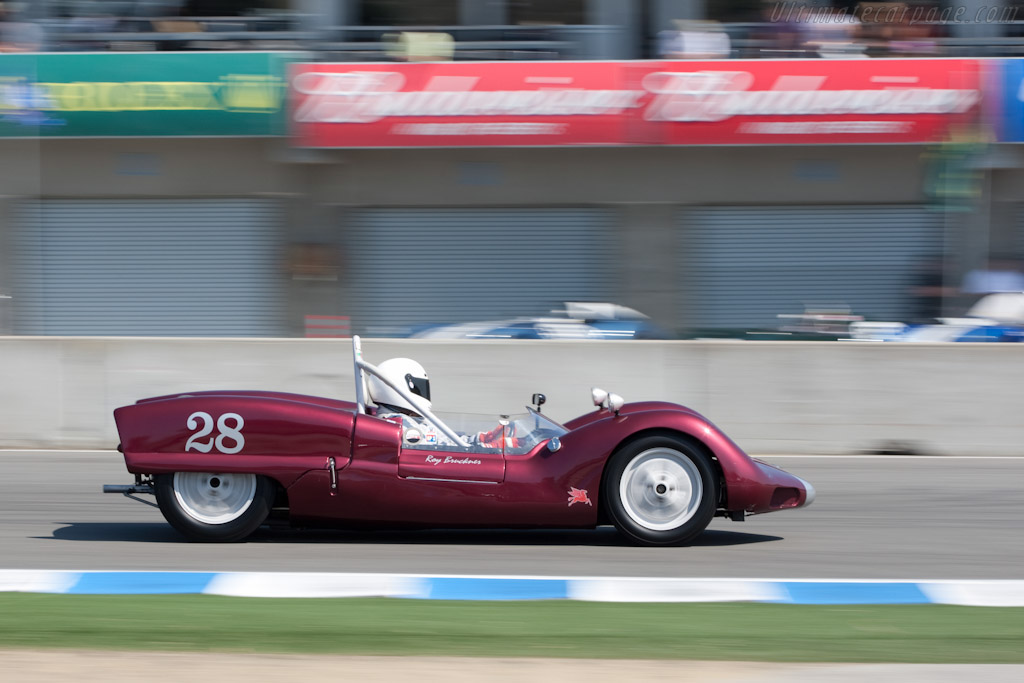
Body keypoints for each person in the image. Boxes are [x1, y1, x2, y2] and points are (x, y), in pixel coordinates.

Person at [367, 358, 508, 450]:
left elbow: (440, 438)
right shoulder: (399, 425)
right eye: (418, 387)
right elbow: (439, 449)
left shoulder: (407, 419)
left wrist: (479, 439)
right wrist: (486, 448)